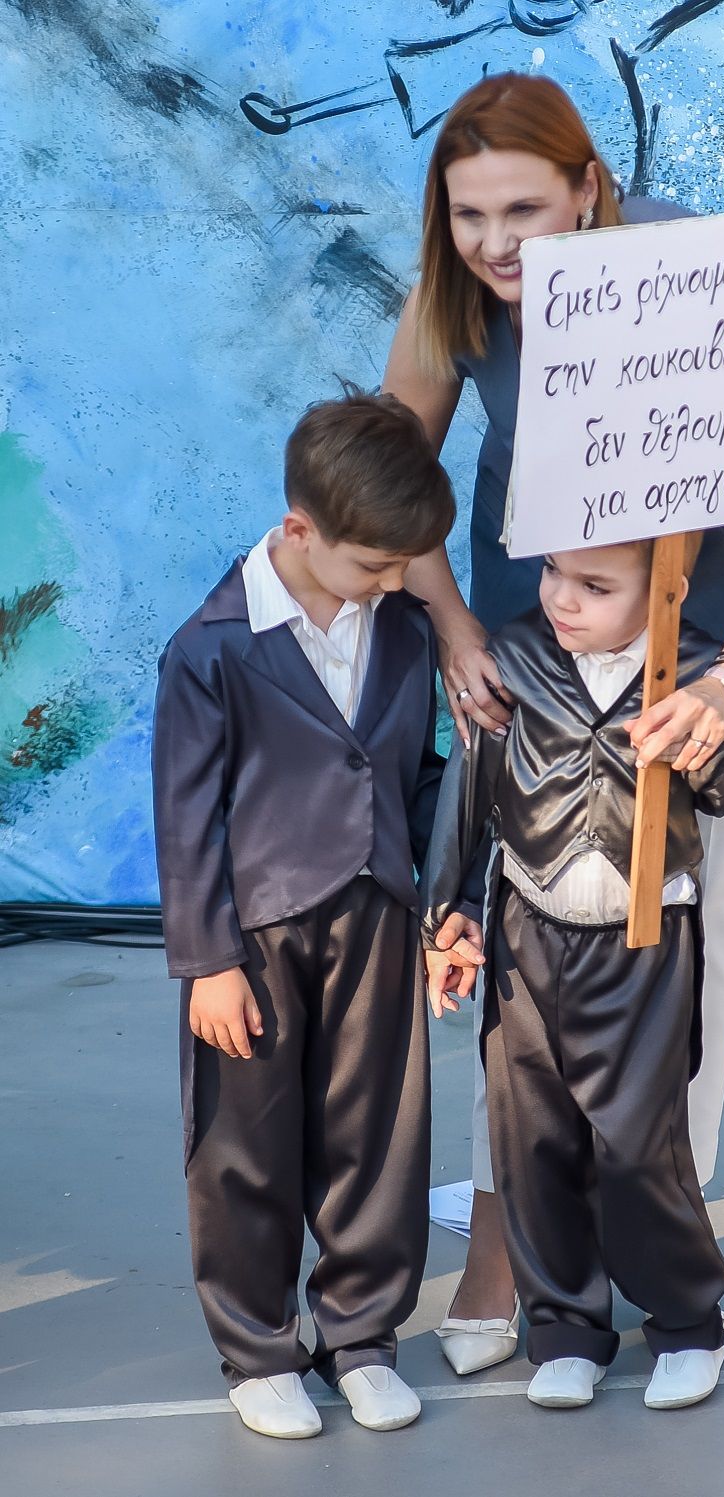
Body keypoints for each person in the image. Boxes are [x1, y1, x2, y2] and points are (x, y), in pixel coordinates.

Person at [382, 72, 724, 1371]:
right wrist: (455, 628)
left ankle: (659, 1230)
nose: (494, 241)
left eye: (524, 209)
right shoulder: (452, 298)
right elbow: (388, 480)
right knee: (520, 933)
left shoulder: (690, 272)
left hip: (722, 639)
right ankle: (506, 1241)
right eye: (469, 213)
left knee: (686, 937)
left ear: (590, 189)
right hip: (542, 630)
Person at [151, 394, 458, 1439]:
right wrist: (208, 962)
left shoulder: (405, 629)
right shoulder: (211, 650)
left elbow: (418, 773)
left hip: (377, 920)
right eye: (375, 564)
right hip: (254, 938)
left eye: (405, 566)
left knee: (378, 1137)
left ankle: (362, 1336)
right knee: (245, 1145)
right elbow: (186, 818)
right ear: (299, 530)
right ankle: (258, 1348)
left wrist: (445, 904)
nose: (393, 583)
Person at [421, 539, 724, 1409]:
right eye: (553, 570)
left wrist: (706, 743)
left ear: (666, 587)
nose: (562, 597)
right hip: (526, 937)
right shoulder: (513, 656)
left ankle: (687, 1320)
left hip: (643, 944)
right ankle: (565, 1328)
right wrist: (448, 909)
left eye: (595, 584)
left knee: (639, 1143)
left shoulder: (698, 669)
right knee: (532, 1136)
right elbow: (471, 789)